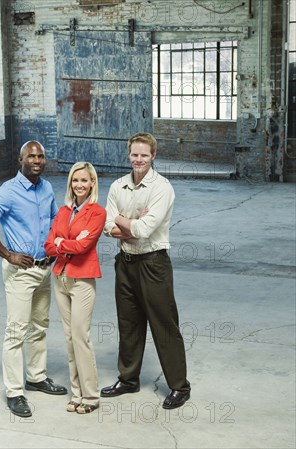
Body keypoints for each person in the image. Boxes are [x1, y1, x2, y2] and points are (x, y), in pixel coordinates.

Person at [0, 140, 67, 418]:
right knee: (16, 331)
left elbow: (54, 219)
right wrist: (8, 255)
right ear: (20, 160)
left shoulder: (47, 187)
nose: (37, 160)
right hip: (21, 272)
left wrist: (52, 248)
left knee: (39, 325)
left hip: (43, 268)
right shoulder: (8, 192)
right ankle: (14, 392)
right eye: (31, 156)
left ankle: (36, 377)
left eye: (41, 156)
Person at [101, 132, 191, 409]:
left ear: (153, 156)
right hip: (125, 262)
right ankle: (129, 379)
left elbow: (144, 229)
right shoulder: (118, 186)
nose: (139, 159)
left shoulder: (162, 188)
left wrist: (123, 222)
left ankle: (179, 386)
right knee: (129, 324)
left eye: (144, 155)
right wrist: (129, 221)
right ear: (129, 155)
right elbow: (107, 227)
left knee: (164, 325)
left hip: (153, 264)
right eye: (135, 154)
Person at [44, 162, 106, 415]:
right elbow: (48, 245)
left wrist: (62, 242)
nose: (79, 185)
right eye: (75, 181)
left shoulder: (97, 212)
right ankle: (77, 393)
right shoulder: (62, 211)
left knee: (81, 336)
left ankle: (91, 395)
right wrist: (64, 242)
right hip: (60, 278)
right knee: (69, 338)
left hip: (82, 280)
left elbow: (83, 248)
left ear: (92, 183)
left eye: (84, 180)